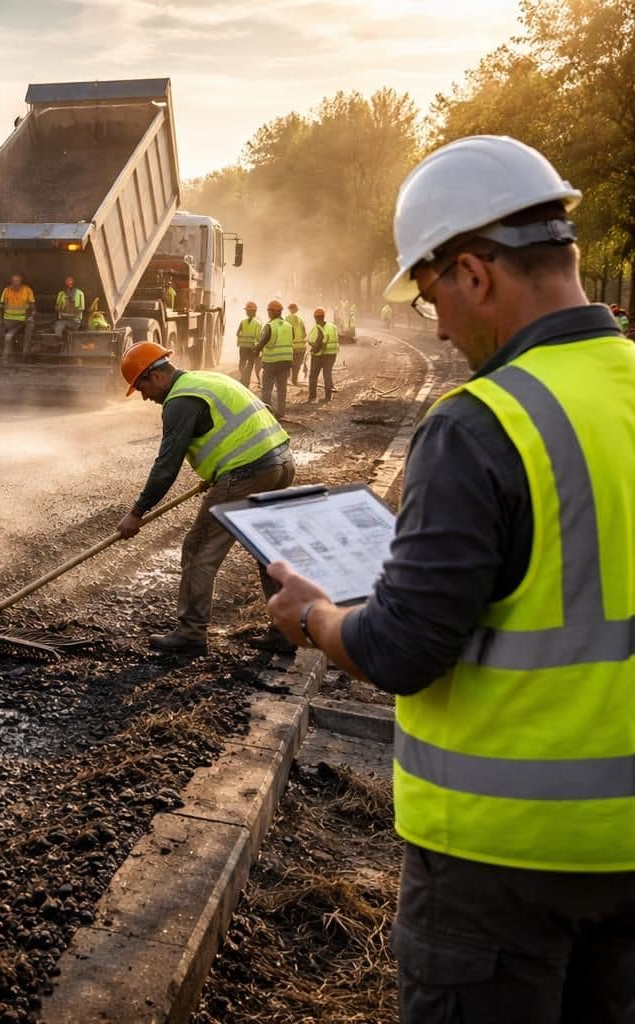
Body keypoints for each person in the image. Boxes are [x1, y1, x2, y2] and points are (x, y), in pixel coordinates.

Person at [266, 135, 635, 1024]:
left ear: (474, 273)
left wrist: (316, 617)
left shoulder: (481, 424)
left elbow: (404, 648)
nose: (435, 325)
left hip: (502, 860)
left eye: (432, 295)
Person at [117, 340, 295, 656]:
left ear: (156, 376)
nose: (144, 396)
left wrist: (137, 511)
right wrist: (219, 469)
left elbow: (166, 466)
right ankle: (286, 630)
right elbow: (259, 415)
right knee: (267, 549)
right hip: (280, 463)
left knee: (199, 549)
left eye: (142, 387)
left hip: (247, 472)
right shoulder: (208, 379)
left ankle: (191, 633)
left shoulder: (179, 401)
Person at [254, 299, 294, 416]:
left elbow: (262, 343)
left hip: (271, 362)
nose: (268, 313)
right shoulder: (289, 326)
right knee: (282, 388)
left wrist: (256, 352)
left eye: (269, 311)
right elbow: (291, 339)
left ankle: (266, 413)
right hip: (286, 362)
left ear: (272, 312)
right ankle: (281, 412)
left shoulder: (269, 326)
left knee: (267, 388)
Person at [0, 273, 36, 360]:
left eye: (18, 280)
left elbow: (33, 306)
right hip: (8, 320)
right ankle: (0, 350)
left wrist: (32, 315)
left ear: (21, 281)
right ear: (11, 281)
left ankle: (25, 354)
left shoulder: (27, 290)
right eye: (14, 280)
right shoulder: (6, 290)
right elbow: (1, 304)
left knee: (29, 326)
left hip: (21, 321)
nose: (16, 282)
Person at [306, 307, 338, 402]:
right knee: (327, 374)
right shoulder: (333, 327)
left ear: (315, 317)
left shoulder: (316, 328)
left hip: (319, 355)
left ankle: (312, 397)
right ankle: (328, 397)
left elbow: (312, 341)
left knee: (313, 375)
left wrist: (312, 348)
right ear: (324, 316)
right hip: (332, 354)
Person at [235, 301, 261, 386]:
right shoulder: (243, 322)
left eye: (250, 311)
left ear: (254, 312)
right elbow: (237, 333)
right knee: (242, 365)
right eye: (247, 311)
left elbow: (258, 337)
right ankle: (244, 378)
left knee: (249, 365)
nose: (248, 312)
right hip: (243, 347)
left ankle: (245, 382)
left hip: (251, 348)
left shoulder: (257, 323)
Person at [287, 302, 308, 386]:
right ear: (296, 310)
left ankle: (288, 379)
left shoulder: (286, 319)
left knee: (289, 363)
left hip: (290, 346)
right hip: (301, 346)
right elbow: (304, 334)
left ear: (289, 309)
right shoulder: (301, 320)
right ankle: (294, 379)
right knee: (298, 364)